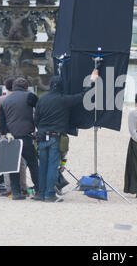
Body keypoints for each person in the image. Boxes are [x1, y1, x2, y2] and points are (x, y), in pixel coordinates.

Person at [34, 69, 99, 202]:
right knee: (53, 166)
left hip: (41, 137)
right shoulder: (63, 100)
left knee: (42, 166)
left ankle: (40, 193)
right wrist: (92, 80)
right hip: (55, 137)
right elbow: (83, 95)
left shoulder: (41, 99)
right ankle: (50, 194)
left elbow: (36, 119)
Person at [0, 77, 39, 200]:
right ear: (26, 87)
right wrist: (36, 127)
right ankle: (38, 189)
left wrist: (6, 132)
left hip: (11, 137)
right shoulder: (30, 96)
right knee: (33, 164)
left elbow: (1, 119)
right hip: (26, 135)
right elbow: (40, 111)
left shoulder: (5, 100)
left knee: (13, 165)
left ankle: (16, 192)